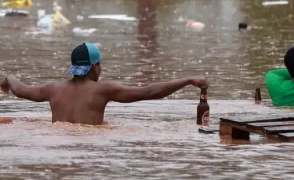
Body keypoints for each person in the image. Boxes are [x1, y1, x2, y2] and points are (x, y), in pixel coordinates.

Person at [0, 43, 208, 125]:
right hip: (91, 147)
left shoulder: (53, 89)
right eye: (99, 65)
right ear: (94, 66)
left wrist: (9, 77)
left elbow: (19, 90)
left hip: (58, 140)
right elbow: (149, 92)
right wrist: (187, 80)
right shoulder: (103, 90)